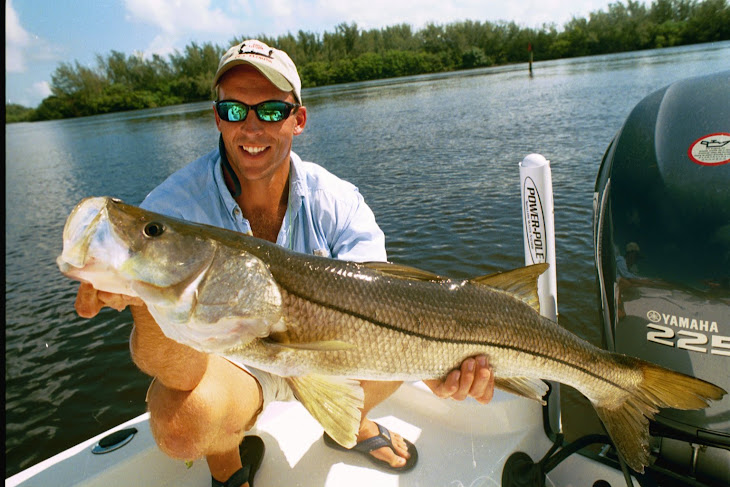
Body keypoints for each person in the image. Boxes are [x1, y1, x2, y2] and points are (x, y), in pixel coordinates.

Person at [75, 39, 495, 487]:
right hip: (231, 363)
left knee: (396, 345)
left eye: (272, 110)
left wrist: (438, 364)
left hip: (330, 352)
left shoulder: (338, 200)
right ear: (217, 118)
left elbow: (385, 305)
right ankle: (227, 464)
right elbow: (177, 368)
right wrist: (142, 298)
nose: (251, 126)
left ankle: (350, 425)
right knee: (180, 423)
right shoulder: (172, 211)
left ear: (299, 119)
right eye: (235, 110)